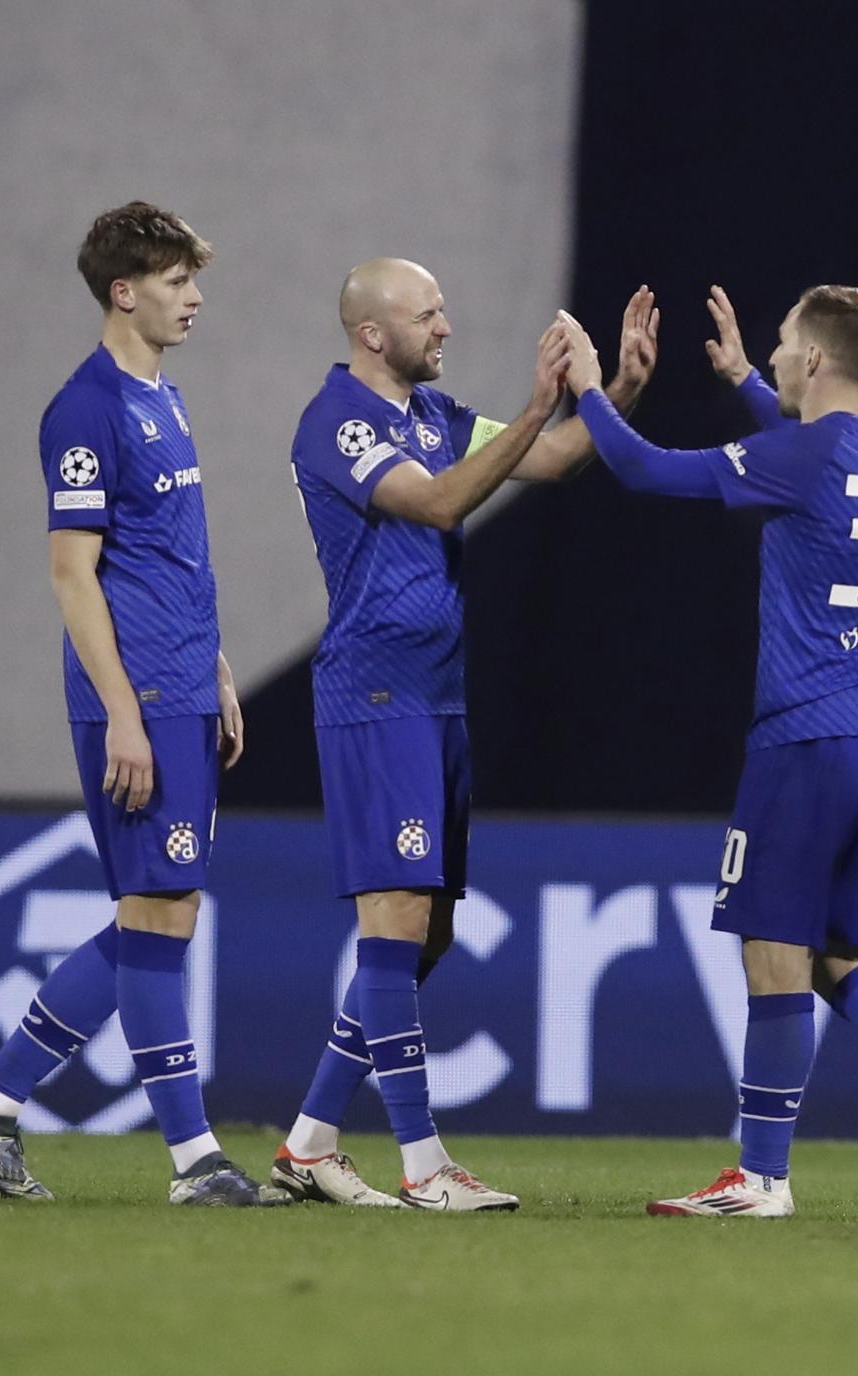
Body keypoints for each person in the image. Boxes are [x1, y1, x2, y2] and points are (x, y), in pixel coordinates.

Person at [557, 285, 858, 1221]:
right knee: (834, 955)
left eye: (777, 348)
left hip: (805, 735)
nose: (767, 357)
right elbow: (815, 455)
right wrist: (740, 386)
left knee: (773, 950)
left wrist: (590, 390)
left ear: (813, 362)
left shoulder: (803, 450)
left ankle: (761, 1177)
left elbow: (645, 471)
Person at [269, 261, 656, 1211]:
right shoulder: (339, 422)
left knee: (426, 933)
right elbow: (440, 503)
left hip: (436, 699)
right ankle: (424, 1165)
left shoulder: (435, 418)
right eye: (428, 312)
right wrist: (535, 404)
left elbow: (558, 461)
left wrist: (622, 388)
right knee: (396, 918)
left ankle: (309, 1146)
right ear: (372, 332)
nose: (446, 325)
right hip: (377, 694)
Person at [0, 202, 281, 1206]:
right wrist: (125, 710)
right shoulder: (85, 408)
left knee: (155, 914)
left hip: (181, 685)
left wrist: (214, 666)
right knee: (160, 911)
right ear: (125, 289)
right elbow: (72, 574)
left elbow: (170, 556)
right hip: (137, 698)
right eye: (176, 279)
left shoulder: (162, 398)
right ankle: (195, 1159)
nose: (195, 295)